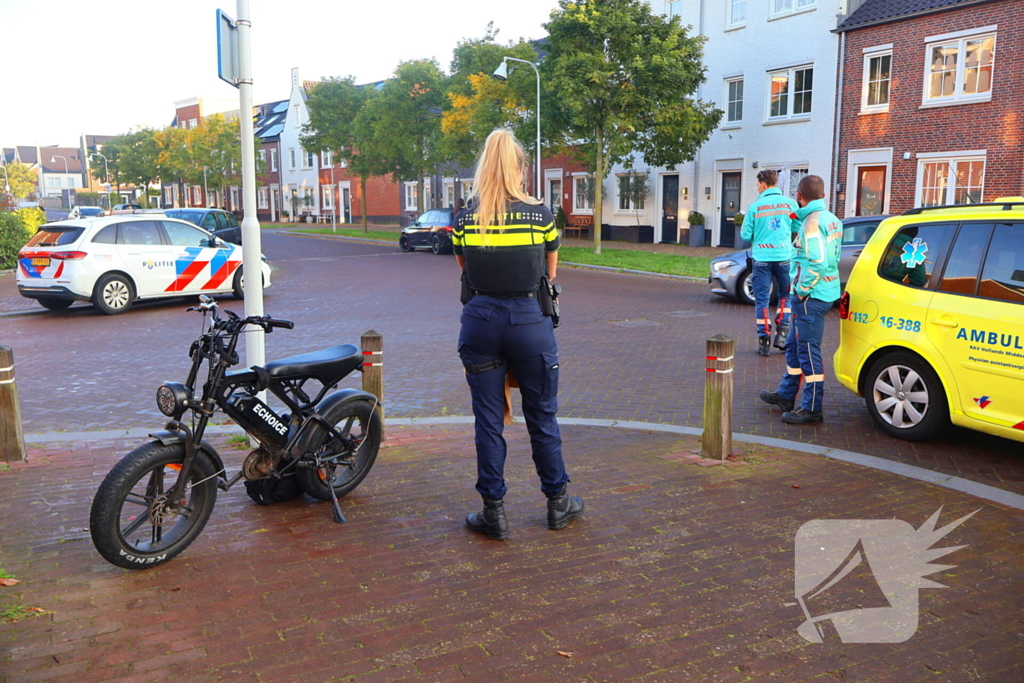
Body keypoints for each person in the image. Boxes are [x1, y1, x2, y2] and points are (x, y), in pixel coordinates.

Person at [452, 129, 584, 541]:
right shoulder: (541, 214)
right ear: (520, 167)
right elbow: (550, 273)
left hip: (480, 321)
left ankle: (494, 512)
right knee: (542, 414)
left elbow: (465, 271)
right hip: (529, 322)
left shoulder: (464, 217)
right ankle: (558, 503)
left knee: (488, 419)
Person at [759, 175, 842, 424]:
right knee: (795, 346)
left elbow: (817, 262)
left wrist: (803, 289)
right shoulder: (831, 219)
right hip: (821, 293)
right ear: (824, 195)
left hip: (811, 296)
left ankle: (812, 407)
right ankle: (786, 395)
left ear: (799, 196)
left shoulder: (811, 224)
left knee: (807, 351)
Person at [740, 169, 798, 356]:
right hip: (784, 258)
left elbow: (746, 234)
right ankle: (782, 336)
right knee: (785, 296)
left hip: (762, 259)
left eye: (757, 185)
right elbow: (797, 226)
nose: (757, 188)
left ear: (763, 184)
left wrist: (760, 236)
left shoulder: (755, 207)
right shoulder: (789, 204)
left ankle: (763, 340)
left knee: (762, 300)